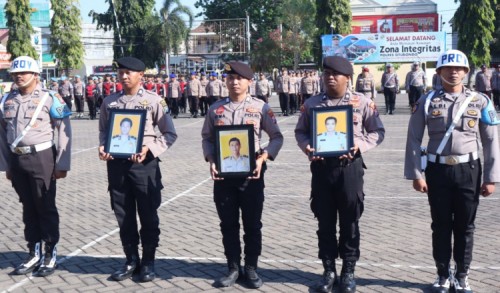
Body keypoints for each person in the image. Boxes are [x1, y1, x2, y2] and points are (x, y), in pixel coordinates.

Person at [404, 49, 500, 293]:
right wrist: (416, 173)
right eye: (448, 68)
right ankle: (443, 274)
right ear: (439, 72)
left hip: (469, 169)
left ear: (466, 72)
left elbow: (491, 141)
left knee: (466, 226)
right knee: (441, 224)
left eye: (459, 68)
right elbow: (414, 138)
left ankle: (463, 274)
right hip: (437, 170)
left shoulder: (481, 101)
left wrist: (491, 177)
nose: (453, 72)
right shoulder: (426, 101)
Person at [295, 56, 385, 293]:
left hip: (349, 169)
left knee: (350, 221)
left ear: (348, 78)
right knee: (324, 222)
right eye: (327, 74)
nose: (330, 77)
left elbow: (377, 131)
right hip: (322, 169)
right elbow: (301, 132)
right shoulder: (312, 104)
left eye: (336, 74)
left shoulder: (362, 102)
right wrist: (307, 147)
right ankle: (328, 271)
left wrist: (360, 146)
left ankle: (348, 271)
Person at [201, 61, 283, 289]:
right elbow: (207, 138)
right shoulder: (215, 109)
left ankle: (252, 268)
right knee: (228, 224)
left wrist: (263, 157)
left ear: (249, 81)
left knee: (252, 224)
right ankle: (233, 268)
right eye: (230, 78)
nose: (234, 82)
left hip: (252, 176)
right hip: (224, 176)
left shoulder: (261, 108)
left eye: (239, 78)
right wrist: (211, 159)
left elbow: (277, 137)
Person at [98, 56, 177, 282]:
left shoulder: (154, 101)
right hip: (117, 166)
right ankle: (131, 259)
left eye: (129, 72)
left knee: (148, 215)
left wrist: (149, 149)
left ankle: (148, 262)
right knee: (123, 215)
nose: (124, 76)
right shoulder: (109, 102)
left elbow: (170, 134)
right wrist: (103, 147)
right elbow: (104, 131)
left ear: (141, 75)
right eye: (121, 72)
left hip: (144, 166)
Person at [0, 56, 72, 277]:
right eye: (15, 73)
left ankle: (50, 254)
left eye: (24, 73)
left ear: (36, 75)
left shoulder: (51, 98)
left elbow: (63, 131)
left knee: (45, 205)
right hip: (17, 159)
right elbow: (2, 135)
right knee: (28, 207)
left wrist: (62, 163)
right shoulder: (6, 100)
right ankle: (33, 251)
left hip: (42, 157)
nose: (19, 76)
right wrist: (6, 166)